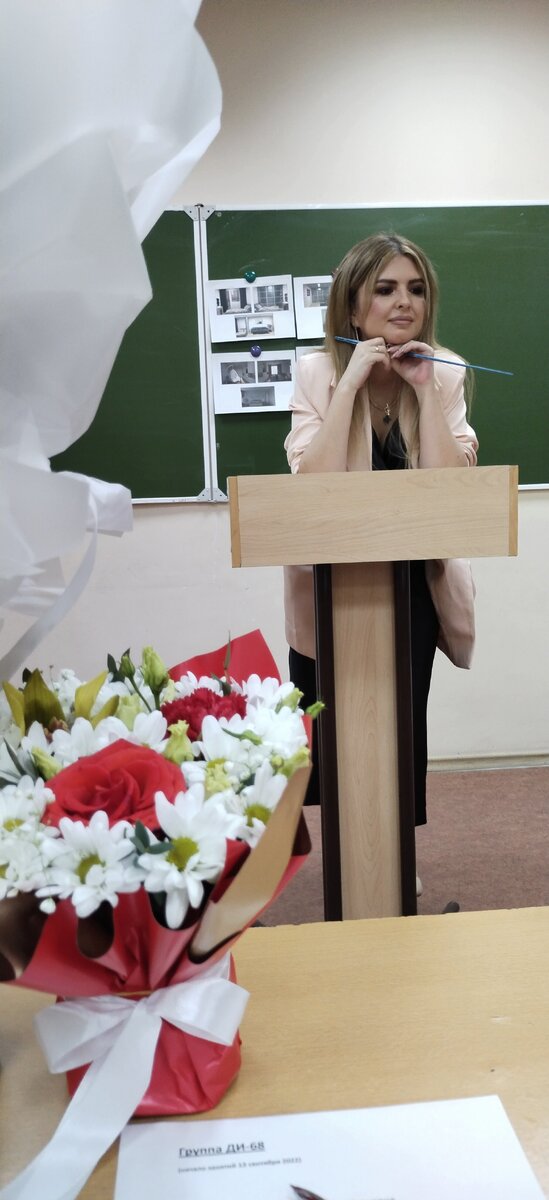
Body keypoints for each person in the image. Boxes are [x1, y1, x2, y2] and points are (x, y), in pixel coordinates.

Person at [283, 232, 478, 857]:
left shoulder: (444, 372)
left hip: (411, 582)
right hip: (331, 585)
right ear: (351, 304)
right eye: (386, 289)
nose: (404, 303)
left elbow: (451, 490)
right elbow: (312, 485)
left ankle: (394, 862)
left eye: (416, 290)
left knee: (401, 726)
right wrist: (350, 384)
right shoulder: (316, 371)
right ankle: (351, 865)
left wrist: (424, 387)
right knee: (335, 734)